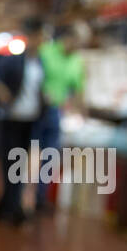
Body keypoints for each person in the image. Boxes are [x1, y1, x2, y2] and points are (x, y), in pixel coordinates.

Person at [0, 19, 46, 225]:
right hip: (11, 120)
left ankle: (8, 205)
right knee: (10, 163)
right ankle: (10, 206)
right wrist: (4, 95)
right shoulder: (15, 60)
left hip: (30, 121)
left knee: (21, 164)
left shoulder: (41, 63)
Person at [33, 22, 87, 211]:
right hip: (36, 111)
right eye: (78, 42)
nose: (78, 47)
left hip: (56, 112)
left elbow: (78, 90)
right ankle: (21, 196)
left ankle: (41, 197)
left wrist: (79, 112)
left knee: (51, 155)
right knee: (27, 154)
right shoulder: (46, 52)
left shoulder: (77, 61)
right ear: (68, 38)